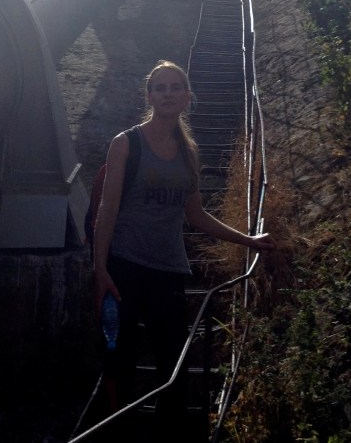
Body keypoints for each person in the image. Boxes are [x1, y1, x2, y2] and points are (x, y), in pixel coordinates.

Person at [93, 59, 276, 436]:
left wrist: (248, 240)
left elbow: (196, 216)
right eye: (160, 87)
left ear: (187, 97)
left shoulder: (189, 153)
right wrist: (100, 270)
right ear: (149, 95)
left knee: (174, 363)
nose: (168, 93)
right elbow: (107, 210)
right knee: (118, 359)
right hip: (123, 266)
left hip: (168, 270)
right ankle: (114, 430)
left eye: (176, 87)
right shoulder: (126, 144)